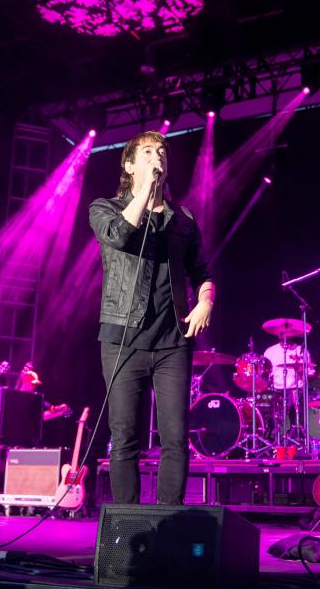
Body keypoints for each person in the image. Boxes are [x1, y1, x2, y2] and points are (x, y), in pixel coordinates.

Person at [89, 130, 215, 504]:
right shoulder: (105, 208)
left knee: (176, 437)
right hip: (122, 340)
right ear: (129, 165)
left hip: (172, 341)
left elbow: (202, 272)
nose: (157, 156)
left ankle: (168, 523)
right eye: (147, 152)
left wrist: (206, 300)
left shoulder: (184, 219)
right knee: (124, 434)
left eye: (161, 151)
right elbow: (121, 236)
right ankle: (127, 529)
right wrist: (145, 190)